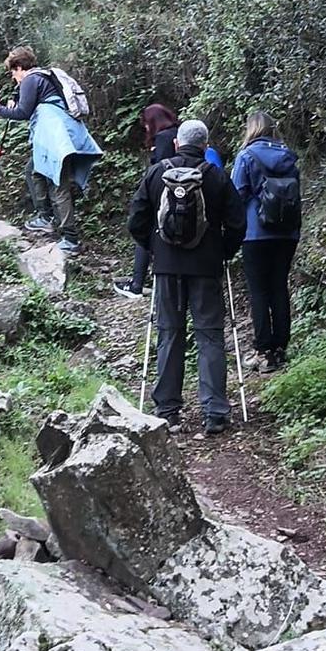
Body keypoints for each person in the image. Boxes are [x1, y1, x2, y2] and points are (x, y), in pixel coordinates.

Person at [127, 117, 247, 435]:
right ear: (205, 146)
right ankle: (215, 412)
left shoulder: (156, 173)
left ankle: (168, 412)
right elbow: (237, 224)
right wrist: (222, 252)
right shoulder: (217, 176)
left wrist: (155, 248)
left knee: (169, 334)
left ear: (177, 143)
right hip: (206, 268)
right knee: (209, 337)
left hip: (166, 268)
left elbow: (136, 221)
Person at [0, 46, 102, 254]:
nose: (14, 78)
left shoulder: (31, 79)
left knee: (58, 185)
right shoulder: (43, 78)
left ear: (20, 67)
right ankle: (45, 217)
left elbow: (23, 112)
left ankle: (70, 239)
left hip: (56, 138)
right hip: (62, 135)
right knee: (34, 172)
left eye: (13, 72)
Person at [232, 110, 303, 373]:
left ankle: (263, 351)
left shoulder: (246, 156)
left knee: (259, 291)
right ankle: (280, 347)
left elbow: (236, 194)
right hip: (287, 233)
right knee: (279, 288)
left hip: (255, 233)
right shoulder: (288, 156)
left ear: (251, 129)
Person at [114, 102, 180, 299]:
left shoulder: (162, 138)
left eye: (146, 124)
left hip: (162, 193)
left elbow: (158, 169)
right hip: (183, 192)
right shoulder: (179, 132)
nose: (145, 129)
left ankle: (137, 283)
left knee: (145, 229)